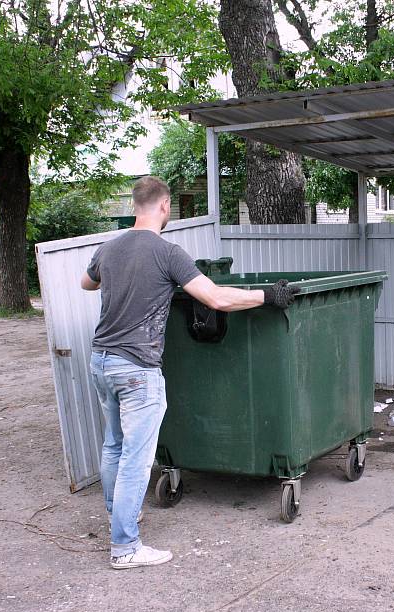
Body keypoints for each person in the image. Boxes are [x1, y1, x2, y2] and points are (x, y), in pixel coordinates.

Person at [80, 176, 299, 570]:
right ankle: (125, 546)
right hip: (137, 368)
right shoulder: (167, 252)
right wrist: (267, 295)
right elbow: (214, 298)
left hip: (102, 361)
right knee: (135, 458)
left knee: (114, 446)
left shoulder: (109, 248)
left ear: (135, 205)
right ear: (164, 207)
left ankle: (119, 517)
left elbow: (86, 282)